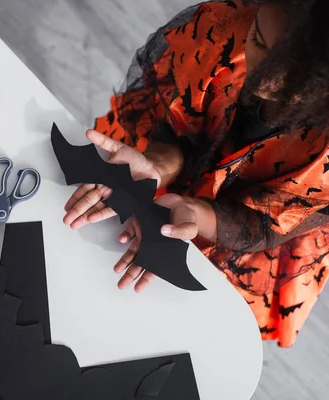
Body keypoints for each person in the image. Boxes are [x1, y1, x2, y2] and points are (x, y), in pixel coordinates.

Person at [63, 0, 329, 348]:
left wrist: (196, 215)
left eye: (292, 81)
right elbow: (178, 127)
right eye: (259, 40)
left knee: (173, 325)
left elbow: (266, 225)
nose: (259, 79)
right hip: (185, 168)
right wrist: (158, 165)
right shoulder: (222, 29)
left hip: (251, 224)